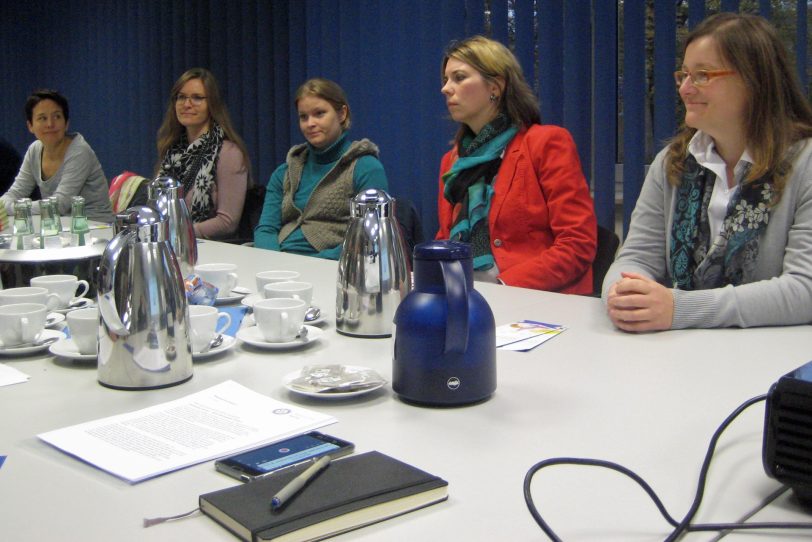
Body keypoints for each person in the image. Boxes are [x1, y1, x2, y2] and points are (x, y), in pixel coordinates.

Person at [603, 13, 812, 331]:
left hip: (774, 362)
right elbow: (636, 259)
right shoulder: (671, 162)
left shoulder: (805, 162)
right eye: (684, 75)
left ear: (754, 81)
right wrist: (624, 296)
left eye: (702, 75)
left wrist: (680, 309)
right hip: (680, 352)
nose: (685, 88)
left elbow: (804, 290)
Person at [436, 36, 597, 293]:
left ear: (495, 87)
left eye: (459, 77)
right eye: (445, 80)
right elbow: (445, 240)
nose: (446, 88)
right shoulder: (453, 162)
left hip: (535, 300)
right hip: (467, 297)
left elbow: (577, 244)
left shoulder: (545, 143)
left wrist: (503, 288)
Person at [254, 78, 388, 259]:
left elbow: (367, 238)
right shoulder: (284, 172)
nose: (310, 123)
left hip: (332, 268)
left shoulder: (365, 167)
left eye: (319, 114)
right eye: (303, 117)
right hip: (279, 264)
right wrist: (275, 263)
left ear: (342, 114)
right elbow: (266, 228)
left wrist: (309, 265)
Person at [156, 68, 251, 240]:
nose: (187, 104)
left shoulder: (229, 153)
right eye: (181, 97)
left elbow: (227, 222)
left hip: (210, 250)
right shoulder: (171, 151)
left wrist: (178, 234)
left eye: (197, 98)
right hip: (169, 245)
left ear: (212, 104)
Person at [0, 90, 113, 223]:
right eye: (42, 118)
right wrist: (3, 206)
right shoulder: (34, 150)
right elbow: (15, 192)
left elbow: (60, 205)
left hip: (96, 227)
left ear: (66, 123)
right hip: (61, 227)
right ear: (30, 126)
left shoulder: (79, 151)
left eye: (57, 117)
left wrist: (15, 208)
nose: (50, 124)